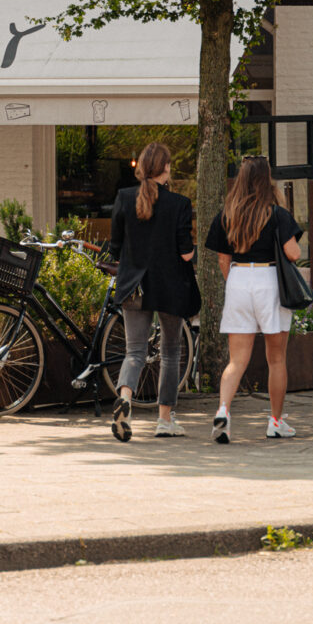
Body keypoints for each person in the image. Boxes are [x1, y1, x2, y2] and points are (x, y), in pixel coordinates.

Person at [204, 154, 303, 444]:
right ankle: (275, 421)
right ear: (266, 179)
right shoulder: (277, 214)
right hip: (269, 281)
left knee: (237, 360)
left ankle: (223, 410)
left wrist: (235, 283)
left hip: (237, 280)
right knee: (276, 359)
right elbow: (294, 254)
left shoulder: (227, 214)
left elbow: (223, 260)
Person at [108, 141, 201, 442]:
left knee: (134, 351)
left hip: (133, 286)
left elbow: (115, 249)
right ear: (164, 168)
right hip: (170, 287)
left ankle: (125, 398)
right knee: (171, 352)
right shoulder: (179, 204)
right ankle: (164, 419)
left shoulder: (123, 198)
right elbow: (185, 253)